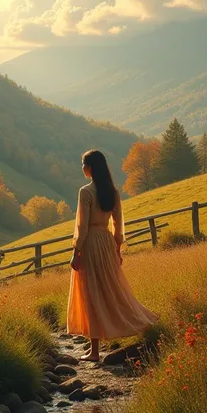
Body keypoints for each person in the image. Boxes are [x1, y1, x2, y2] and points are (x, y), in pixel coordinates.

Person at [67, 149, 158, 362]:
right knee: (110, 289)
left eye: (83, 164)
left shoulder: (86, 192)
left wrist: (76, 252)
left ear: (89, 168)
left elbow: (82, 227)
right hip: (107, 242)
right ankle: (129, 326)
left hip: (90, 243)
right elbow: (118, 225)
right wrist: (117, 249)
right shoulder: (113, 192)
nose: (82, 168)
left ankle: (95, 351)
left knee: (92, 293)